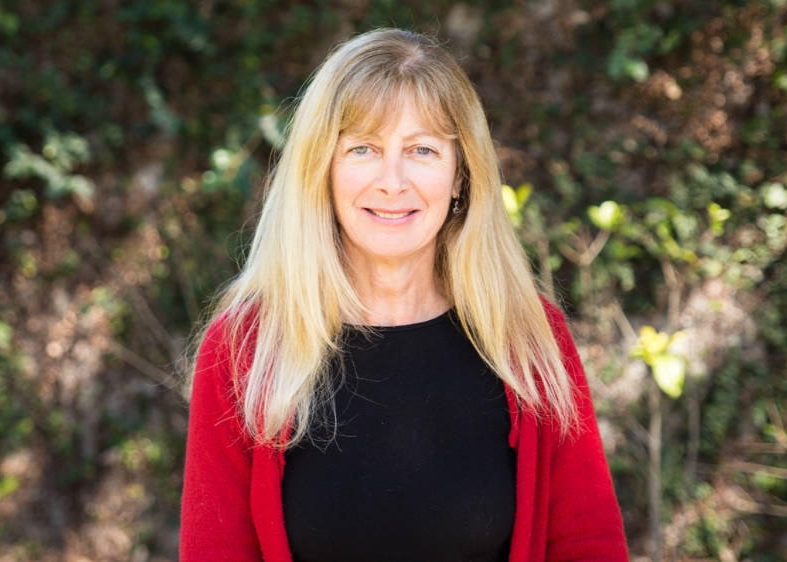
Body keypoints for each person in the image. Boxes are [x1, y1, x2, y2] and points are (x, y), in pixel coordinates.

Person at [180, 28, 628, 561]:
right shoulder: (244, 352)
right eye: (363, 149)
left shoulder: (530, 340)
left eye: (421, 150)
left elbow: (588, 544)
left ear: (461, 174)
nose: (392, 181)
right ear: (322, 169)